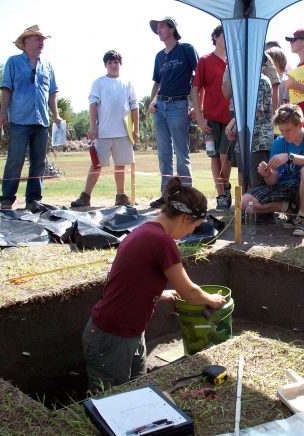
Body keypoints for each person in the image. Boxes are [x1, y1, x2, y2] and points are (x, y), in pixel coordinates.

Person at [82, 177, 226, 391]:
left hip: (127, 332)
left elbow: (130, 281)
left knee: (136, 390)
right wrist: (211, 300)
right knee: (112, 401)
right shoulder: (162, 242)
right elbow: (188, 291)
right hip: (112, 337)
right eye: (194, 228)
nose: (189, 234)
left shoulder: (145, 230)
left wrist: (158, 294)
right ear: (186, 218)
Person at [0, 25, 62, 210]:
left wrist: (56, 115)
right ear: (26, 41)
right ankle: (7, 199)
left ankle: (33, 200)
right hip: (19, 120)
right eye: (38, 39)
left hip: (42, 121)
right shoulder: (13, 62)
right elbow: (6, 88)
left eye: (43, 40)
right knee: (15, 160)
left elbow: (52, 92)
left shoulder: (47, 65)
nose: (42, 43)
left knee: (39, 162)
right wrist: (3, 112)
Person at [241, 104, 304, 236]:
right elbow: (272, 181)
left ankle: (303, 218)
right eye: (281, 130)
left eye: (288, 130)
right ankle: (290, 209)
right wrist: (267, 174)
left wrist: (290, 157)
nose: (284, 134)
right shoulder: (279, 143)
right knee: (245, 202)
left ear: (300, 124)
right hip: (286, 189)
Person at [71, 50, 138, 208]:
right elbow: (93, 104)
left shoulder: (128, 83)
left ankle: (120, 196)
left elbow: (134, 106)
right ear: (105, 65)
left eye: (116, 62)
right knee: (96, 164)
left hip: (123, 133)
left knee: (120, 165)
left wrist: (136, 129)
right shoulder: (99, 82)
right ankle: (85, 196)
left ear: (120, 64)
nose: (113, 65)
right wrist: (93, 126)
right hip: (103, 132)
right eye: (110, 62)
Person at [148, 17, 198, 209]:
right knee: (164, 155)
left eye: (161, 26)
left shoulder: (186, 49)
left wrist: (195, 105)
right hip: (160, 107)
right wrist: (152, 102)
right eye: (157, 27)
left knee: (182, 155)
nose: (158, 30)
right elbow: (157, 82)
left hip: (179, 105)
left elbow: (197, 77)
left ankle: (187, 197)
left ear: (172, 28)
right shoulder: (159, 56)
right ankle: (166, 195)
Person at [191, 25, 233, 212]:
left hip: (231, 118)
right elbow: (195, 89)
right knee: (214, 156)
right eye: (224, 35)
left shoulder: (235, 61)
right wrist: (200, 118)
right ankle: (222, 195)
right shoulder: (205, 60)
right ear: (215, 37)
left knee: (226, 156)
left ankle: (226, 187)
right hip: (211, 118)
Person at [224, 72, 274, 190]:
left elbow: (256, 112)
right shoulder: (245, 84)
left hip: (258, 143)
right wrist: (234, 128)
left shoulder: (260, 81)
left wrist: (234, 122)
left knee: (258, 187)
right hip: (244, 142)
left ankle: (260, 209)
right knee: (248, 186)